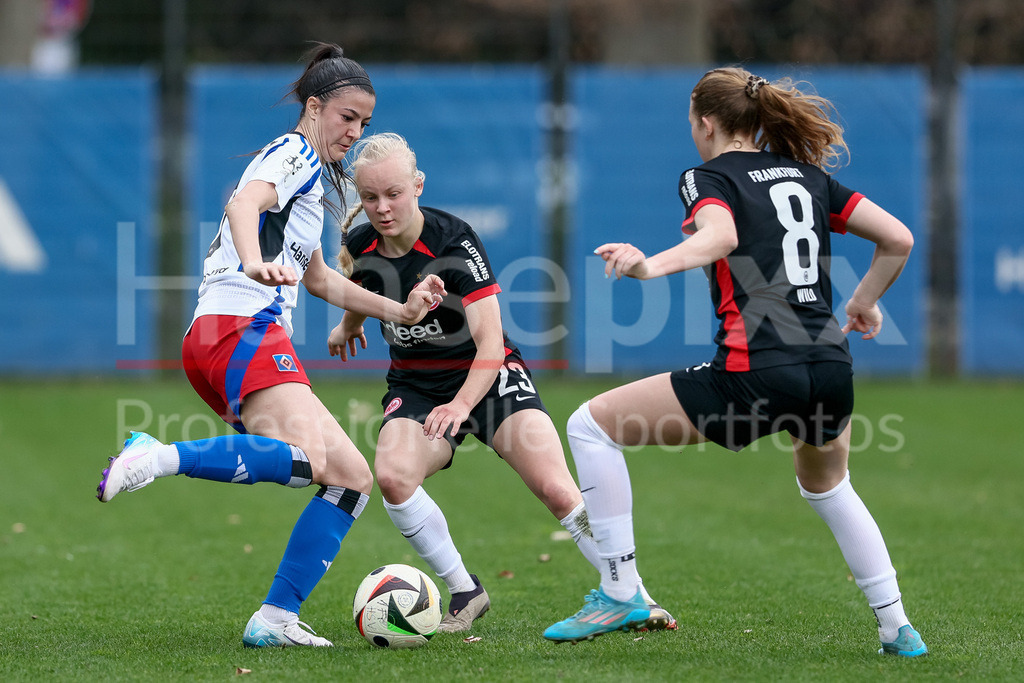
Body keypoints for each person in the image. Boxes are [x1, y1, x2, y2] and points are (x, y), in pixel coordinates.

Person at [543, 67, 928, 657]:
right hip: (830, 367)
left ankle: (620, 591)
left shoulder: (707, 176)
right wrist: (864, 301)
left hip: (757, 369)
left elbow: (719, 237)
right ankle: (896, 626)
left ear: (707, 123)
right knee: (829, 488)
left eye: (691, 122)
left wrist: (649, 266)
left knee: (590, 425)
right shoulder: (808, 176)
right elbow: (897, 237)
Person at [95, 43, 444, 649]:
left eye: (365, 121)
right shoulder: (294, 151)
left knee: (350, 479)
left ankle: (277, 617)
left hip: (226, 337)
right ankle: (158, 454)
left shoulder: (315, 176)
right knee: (308, 456)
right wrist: (255, 264)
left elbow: (317, 278)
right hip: (240, 327)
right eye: (347, 118)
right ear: (315, 108)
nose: (355, 132)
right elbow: (243, 203)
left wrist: (401, 309)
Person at [326, 132, 675, 633]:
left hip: (489, 378)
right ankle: (465, 591)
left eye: (394, 194)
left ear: (418, 186)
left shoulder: (454, 240)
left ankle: (633, 595)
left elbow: (490, 345)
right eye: (370, 197)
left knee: (557, 490)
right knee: (394, 478)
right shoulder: (361, 243)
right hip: (418, 386)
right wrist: (349, 326)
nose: (382, 208)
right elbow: (363, 286)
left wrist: (461, 406)